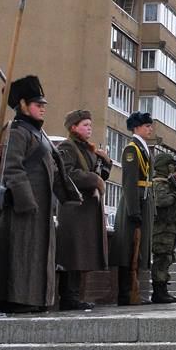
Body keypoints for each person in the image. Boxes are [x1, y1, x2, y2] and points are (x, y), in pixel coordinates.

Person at [0, 76, 80, 313]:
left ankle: (35, 299)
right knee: (23, 255)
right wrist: (26, 202)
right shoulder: (17, 131)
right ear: (23, 105)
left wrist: (67, 193)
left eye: (43, 104)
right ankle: (21, 299)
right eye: (38, 104)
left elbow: (52, 169)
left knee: (37, 257)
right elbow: (12, 168)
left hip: (42, 208)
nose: (43, 108)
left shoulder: (37, 133)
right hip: (24, 208)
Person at [55, 109, 111, 311]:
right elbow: (67, 173)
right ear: (73, 127)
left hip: (86, 210)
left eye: (90, 124)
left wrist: (105, 163)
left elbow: (100, 176)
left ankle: (76, 296)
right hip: (74, 209)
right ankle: (68, 298)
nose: (89, 128)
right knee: (72, 256)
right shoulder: (67, 147)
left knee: (81, 256)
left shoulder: (88, 149)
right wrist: (93, 179)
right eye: (85, 125)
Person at [107, 112, 155, 306]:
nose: (150, 129)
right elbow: (129, 182)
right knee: (128, 248)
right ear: (136, 128)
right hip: (134, 204)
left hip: (143, 201)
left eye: (150, 126)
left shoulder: (143, 148)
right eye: (146, 126)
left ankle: (133, 292)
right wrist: (134, 210)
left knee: (138, 249)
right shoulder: (132, 149)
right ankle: (125, 293)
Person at [150, 152, 176, 304]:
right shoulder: (159, 183)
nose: (173, 167)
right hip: (162, 228)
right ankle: (159, 292)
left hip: (170, 228)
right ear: (163, 166)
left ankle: (163, 289)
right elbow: (161, 201)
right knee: (162, 259)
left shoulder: (169, 182)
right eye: (170, 165)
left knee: (166, 258)